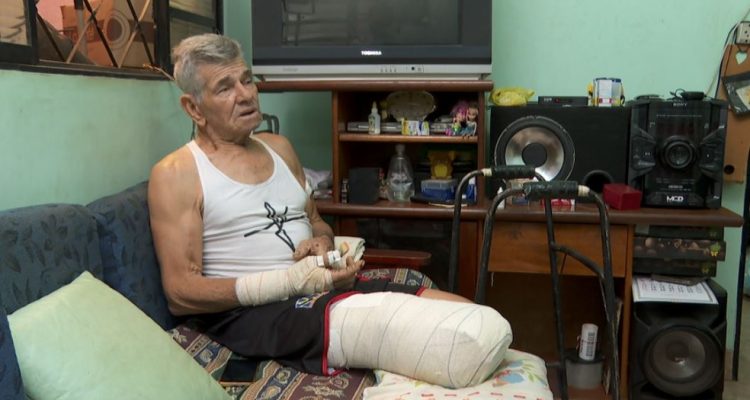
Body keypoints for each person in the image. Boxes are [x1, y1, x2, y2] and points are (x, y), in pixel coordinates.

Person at [148, 33, 511, 389]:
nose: (245, 94)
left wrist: (320, 244)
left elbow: (318, 223)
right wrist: (289, 282)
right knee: (475, 339)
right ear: (193, 108)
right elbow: (181, 292)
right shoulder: (177, 174)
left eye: (247, 80)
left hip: (318, 291)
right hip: (256, 316)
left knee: (483, 319)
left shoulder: (279, 147)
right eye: (225, 88)